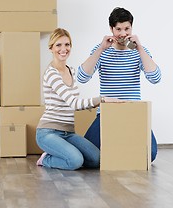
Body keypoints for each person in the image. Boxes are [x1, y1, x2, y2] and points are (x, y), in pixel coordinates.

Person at [77, 7, 162, 162]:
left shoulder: (139, 52)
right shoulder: (101, 51)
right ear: (111, 29)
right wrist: (101, 49)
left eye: (127, 28)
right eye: (118, 29)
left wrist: (140, 48)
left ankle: (120, 153)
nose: (123, 33)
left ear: (132, 28)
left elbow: (155, 78)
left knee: (150, 154)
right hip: (107, 113)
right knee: (89, 158)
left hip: (133, 113)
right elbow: (82, 77)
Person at [36, 28, 122, 170]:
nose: (63, 49)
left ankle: (64, 154)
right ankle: (46, 159)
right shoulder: (51, 73)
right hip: (48, 132)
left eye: (67, 44)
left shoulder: (72, 70)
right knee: (75, 161)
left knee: (97, 160)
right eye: (58, 45)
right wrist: (102, 99)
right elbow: (74, 103)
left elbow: (74, 101)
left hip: (68, 133)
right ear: (51, 48)